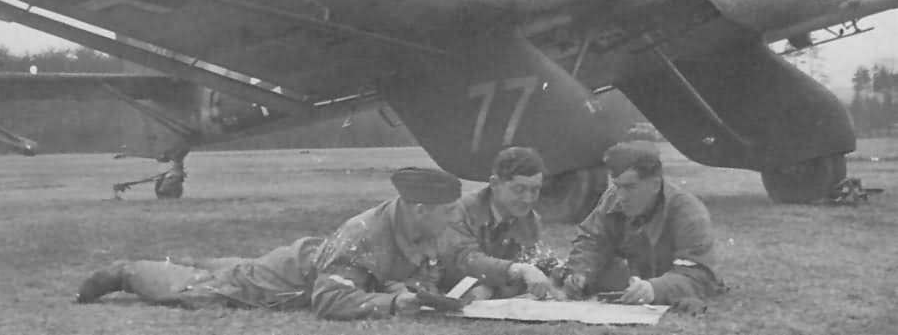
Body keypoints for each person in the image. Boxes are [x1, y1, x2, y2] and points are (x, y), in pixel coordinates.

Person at [76, 167, 462, 320]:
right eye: (446, 212)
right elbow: (327, 301)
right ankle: (126, 272)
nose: (452, 219)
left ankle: (196, 261)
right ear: (421, 209)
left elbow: (417, 268)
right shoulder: (364, 235)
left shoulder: (422, 227)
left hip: (310, 260)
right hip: (284, 281)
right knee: (201, 291)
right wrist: (393, 302)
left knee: (233, 269)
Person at [562, 142, 724, 306]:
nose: (620, 197)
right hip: (631, 280)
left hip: (667, 280)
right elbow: (591, 241)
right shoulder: (613, 198)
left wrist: (655, 289)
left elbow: (699, 274)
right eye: (617, 186)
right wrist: (580, 273)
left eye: (630, 187)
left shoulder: (688, 213)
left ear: (655, 184)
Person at [440, 146, 557, 301]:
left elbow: (534, 260)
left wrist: (561, 275)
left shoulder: (528, 220)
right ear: (494, 184)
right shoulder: (460, 210)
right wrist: (516, 270)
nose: (528, 199)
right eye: (519, 189)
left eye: (535, 190)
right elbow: (464, 260)